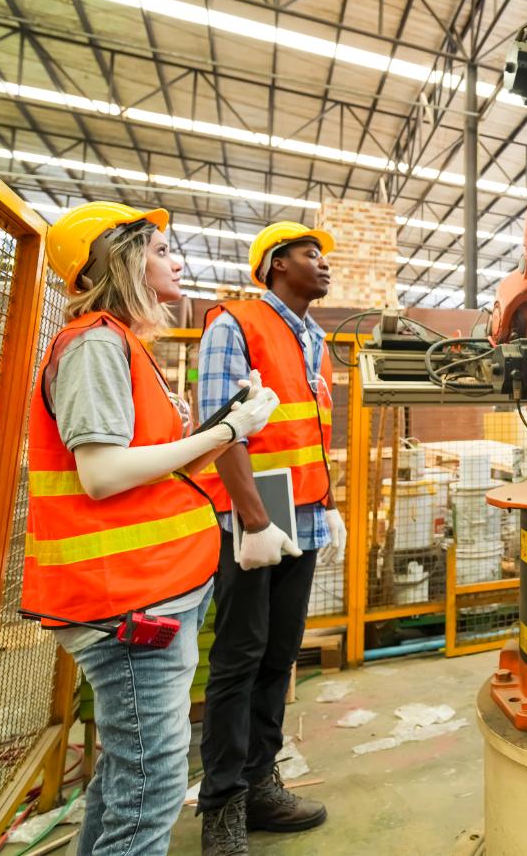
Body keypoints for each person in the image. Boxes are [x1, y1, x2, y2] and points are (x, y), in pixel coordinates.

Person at [22, 201, 279, 856]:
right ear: (119, 260)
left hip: (147, 594)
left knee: (126, 774)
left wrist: (230, 420)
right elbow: (103, 474)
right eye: (162, 250)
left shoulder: (124, 347)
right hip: (127, 605)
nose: (177, 262)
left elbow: (159, 467)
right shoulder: (96, 344)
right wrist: (227, 432)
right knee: (153, 787)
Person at [195, 221, 346, 855]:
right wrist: (253, 520)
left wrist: (330, 503)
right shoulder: (236, 324)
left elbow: (309, 433)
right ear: (276, 263)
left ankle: (261, 780)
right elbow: (223, 427)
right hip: (256, 515)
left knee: (280, 655)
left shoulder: (314, 339)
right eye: (311, 253)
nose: (323, 263)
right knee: (240, 656)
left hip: (304, 515)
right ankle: (222, 804)